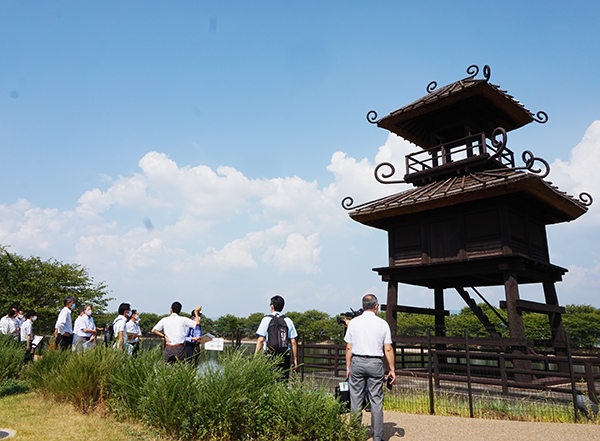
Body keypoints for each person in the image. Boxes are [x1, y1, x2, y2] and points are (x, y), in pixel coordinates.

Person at [344, 294, 396, 441]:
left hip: (358, 362)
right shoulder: (382, 324)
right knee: (376, 400)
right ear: (376, 307)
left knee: (356, 399)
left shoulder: (353, 323)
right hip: (375, 363)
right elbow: (388, 349)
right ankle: (377, 437)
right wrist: (392, 369)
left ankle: (354, 433)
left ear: (362, 307)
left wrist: (348, 366)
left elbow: (349, 347)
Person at [254, 295, 298, 379]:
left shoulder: (266, 319)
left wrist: (255, 358)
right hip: (284, 356)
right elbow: (293, 342)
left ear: (272, 306)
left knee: (267, 382)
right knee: (283, 383)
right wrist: (295, 359)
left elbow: (260, 340)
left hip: (268, 355)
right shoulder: (288, 320)